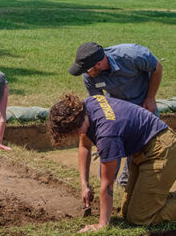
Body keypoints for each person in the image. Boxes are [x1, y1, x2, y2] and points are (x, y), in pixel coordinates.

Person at [47, 93, 176, 232]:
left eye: (70, 133)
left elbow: (107, 183)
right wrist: (85, 185)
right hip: (142, 151)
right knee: (126, 212)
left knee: (139, 218)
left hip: (161, 151)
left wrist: (102, 225)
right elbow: (84, 145)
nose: (72, 137)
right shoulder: (87, 107)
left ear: (73, 127)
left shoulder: (107, 135)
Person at [69, 42, 163, 186]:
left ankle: (128, 183)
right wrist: (102, 135)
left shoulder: (132, 55)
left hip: (143, 105)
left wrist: (151, 97)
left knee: (142, 148)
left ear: (99, 64)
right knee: (111, 145)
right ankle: (108, 186)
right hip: (116, 109)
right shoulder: (89, 77)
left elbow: (157, 68)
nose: (85, 74)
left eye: (86, 69)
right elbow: (98, 104)